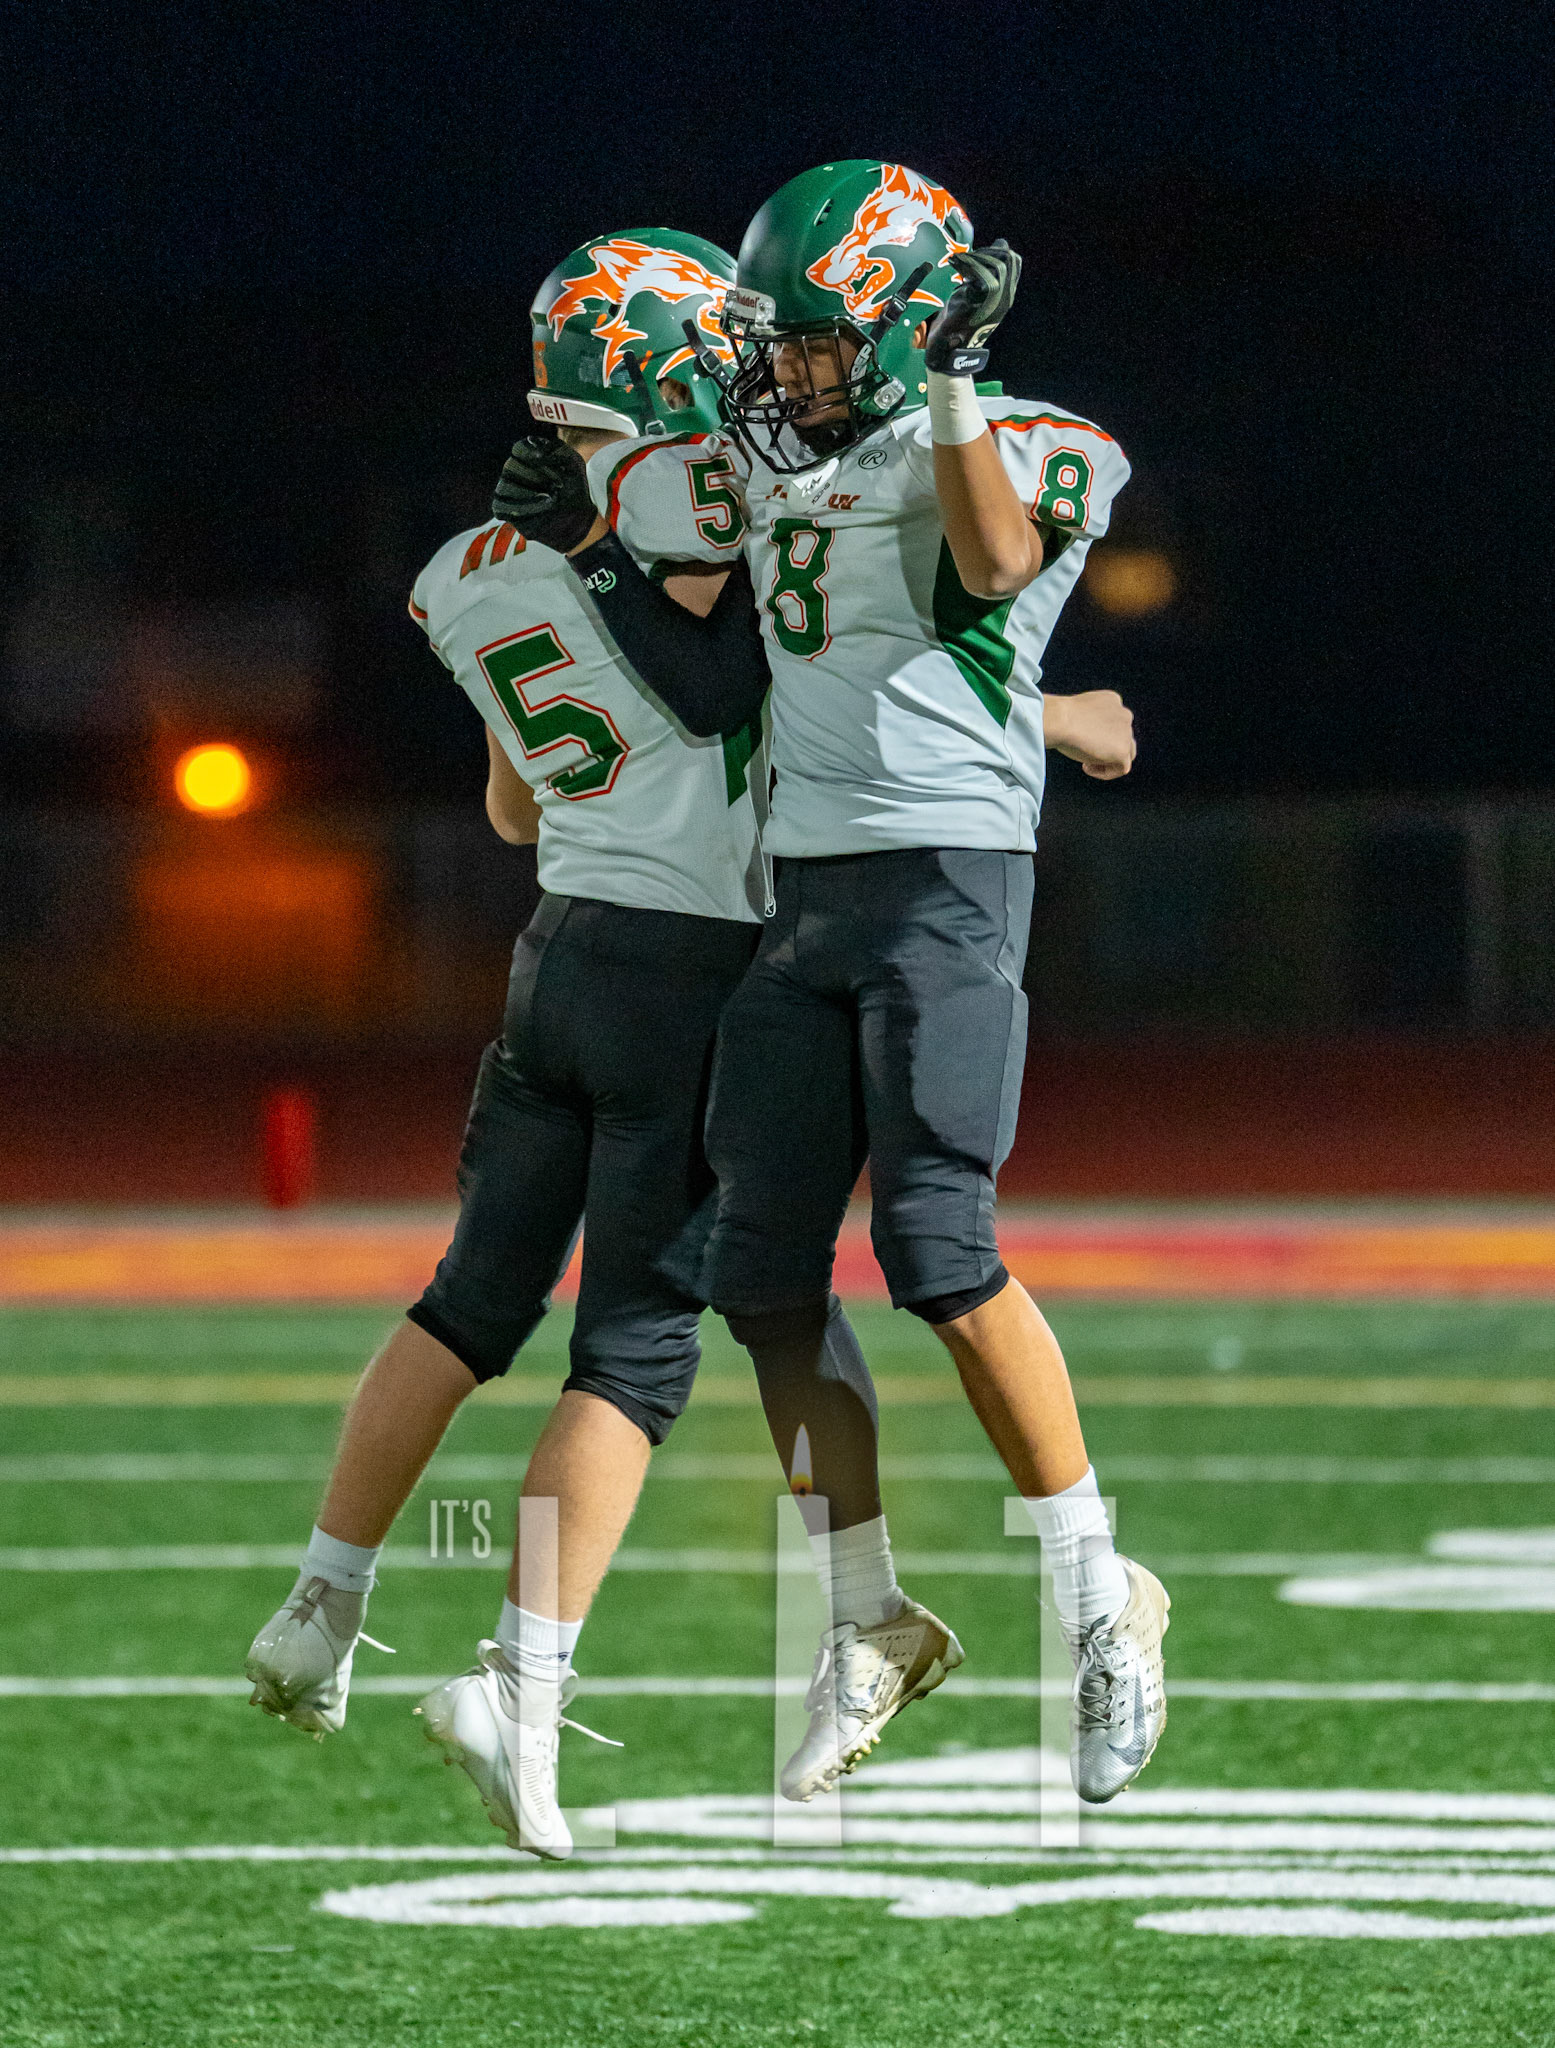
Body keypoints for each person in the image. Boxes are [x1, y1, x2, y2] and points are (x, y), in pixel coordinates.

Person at [490, 161, 1166, 1804]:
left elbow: (990, 568)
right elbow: (723, 642)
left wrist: (949, 383)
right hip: (804, 901)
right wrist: (580, 517)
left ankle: (1102, 1597)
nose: (785, 375)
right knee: (759, 1276)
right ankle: (871, 1617)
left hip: (944, 891)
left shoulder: (1024, 438)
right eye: (778, 345)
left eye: (814, 344)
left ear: (920, 324)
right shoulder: (776, 453)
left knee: (941, 1248)